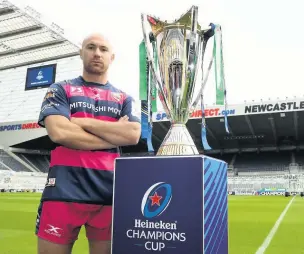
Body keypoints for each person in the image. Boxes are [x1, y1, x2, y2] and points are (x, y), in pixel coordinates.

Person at [35, 33, 141, 254]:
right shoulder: (59, 89)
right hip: (63, 192)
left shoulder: (125, 99)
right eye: (91, 47)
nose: (97, 53)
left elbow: (132, 135)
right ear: (80, 52)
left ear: (112, 57)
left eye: (103, 49)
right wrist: (112, 134)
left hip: (109, 195)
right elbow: (60, 132)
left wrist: (80, 121)